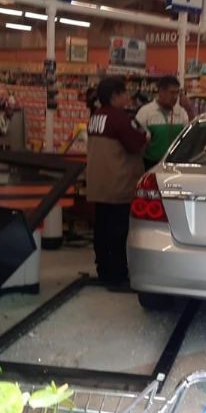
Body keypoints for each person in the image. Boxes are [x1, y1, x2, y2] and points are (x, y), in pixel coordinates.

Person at [86, 77, 148, 287]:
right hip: (119, 183)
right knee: (118, 232)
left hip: (99, 184)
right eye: (124, 93)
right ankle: (117, 274)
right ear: (115, 96)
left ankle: (104, 270)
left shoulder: (96, 116)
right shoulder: (119, 118)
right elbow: (136, 144)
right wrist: (147, 137)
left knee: (101, 230)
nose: (127, 97)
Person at [135, 76, 195, 169]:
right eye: (172, 93)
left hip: (176, 165)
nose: (175, 97)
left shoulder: (182, 112)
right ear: (161, 91)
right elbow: (138, 143)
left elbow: (192, 135)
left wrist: (189, 110)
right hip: (150, 164)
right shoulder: (145, 112)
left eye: (177, 93)